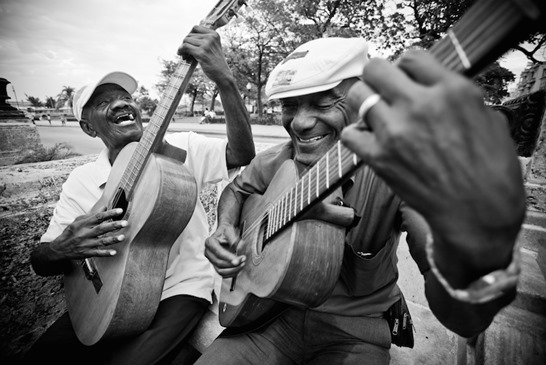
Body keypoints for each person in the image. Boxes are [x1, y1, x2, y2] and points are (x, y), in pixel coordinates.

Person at [199, 37, 525, 364]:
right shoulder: (276, 159)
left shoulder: (400, 176)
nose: (299, 122)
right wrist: (224, 225)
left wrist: (478, 267)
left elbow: (462, 318)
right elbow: (237, 190)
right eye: (290, 105)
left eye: (324, 103)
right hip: (267, 315)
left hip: (356, 330)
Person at [23, 25, 255, 365]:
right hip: (103, 295)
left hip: (180, 290)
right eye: (103, 102)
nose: (120, 102)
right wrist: (62, 247)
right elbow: (41, 259)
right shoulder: (81, 179)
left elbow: (242, 153)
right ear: (88, 127)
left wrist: (225, 80)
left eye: (126, 97)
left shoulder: (183, 149)